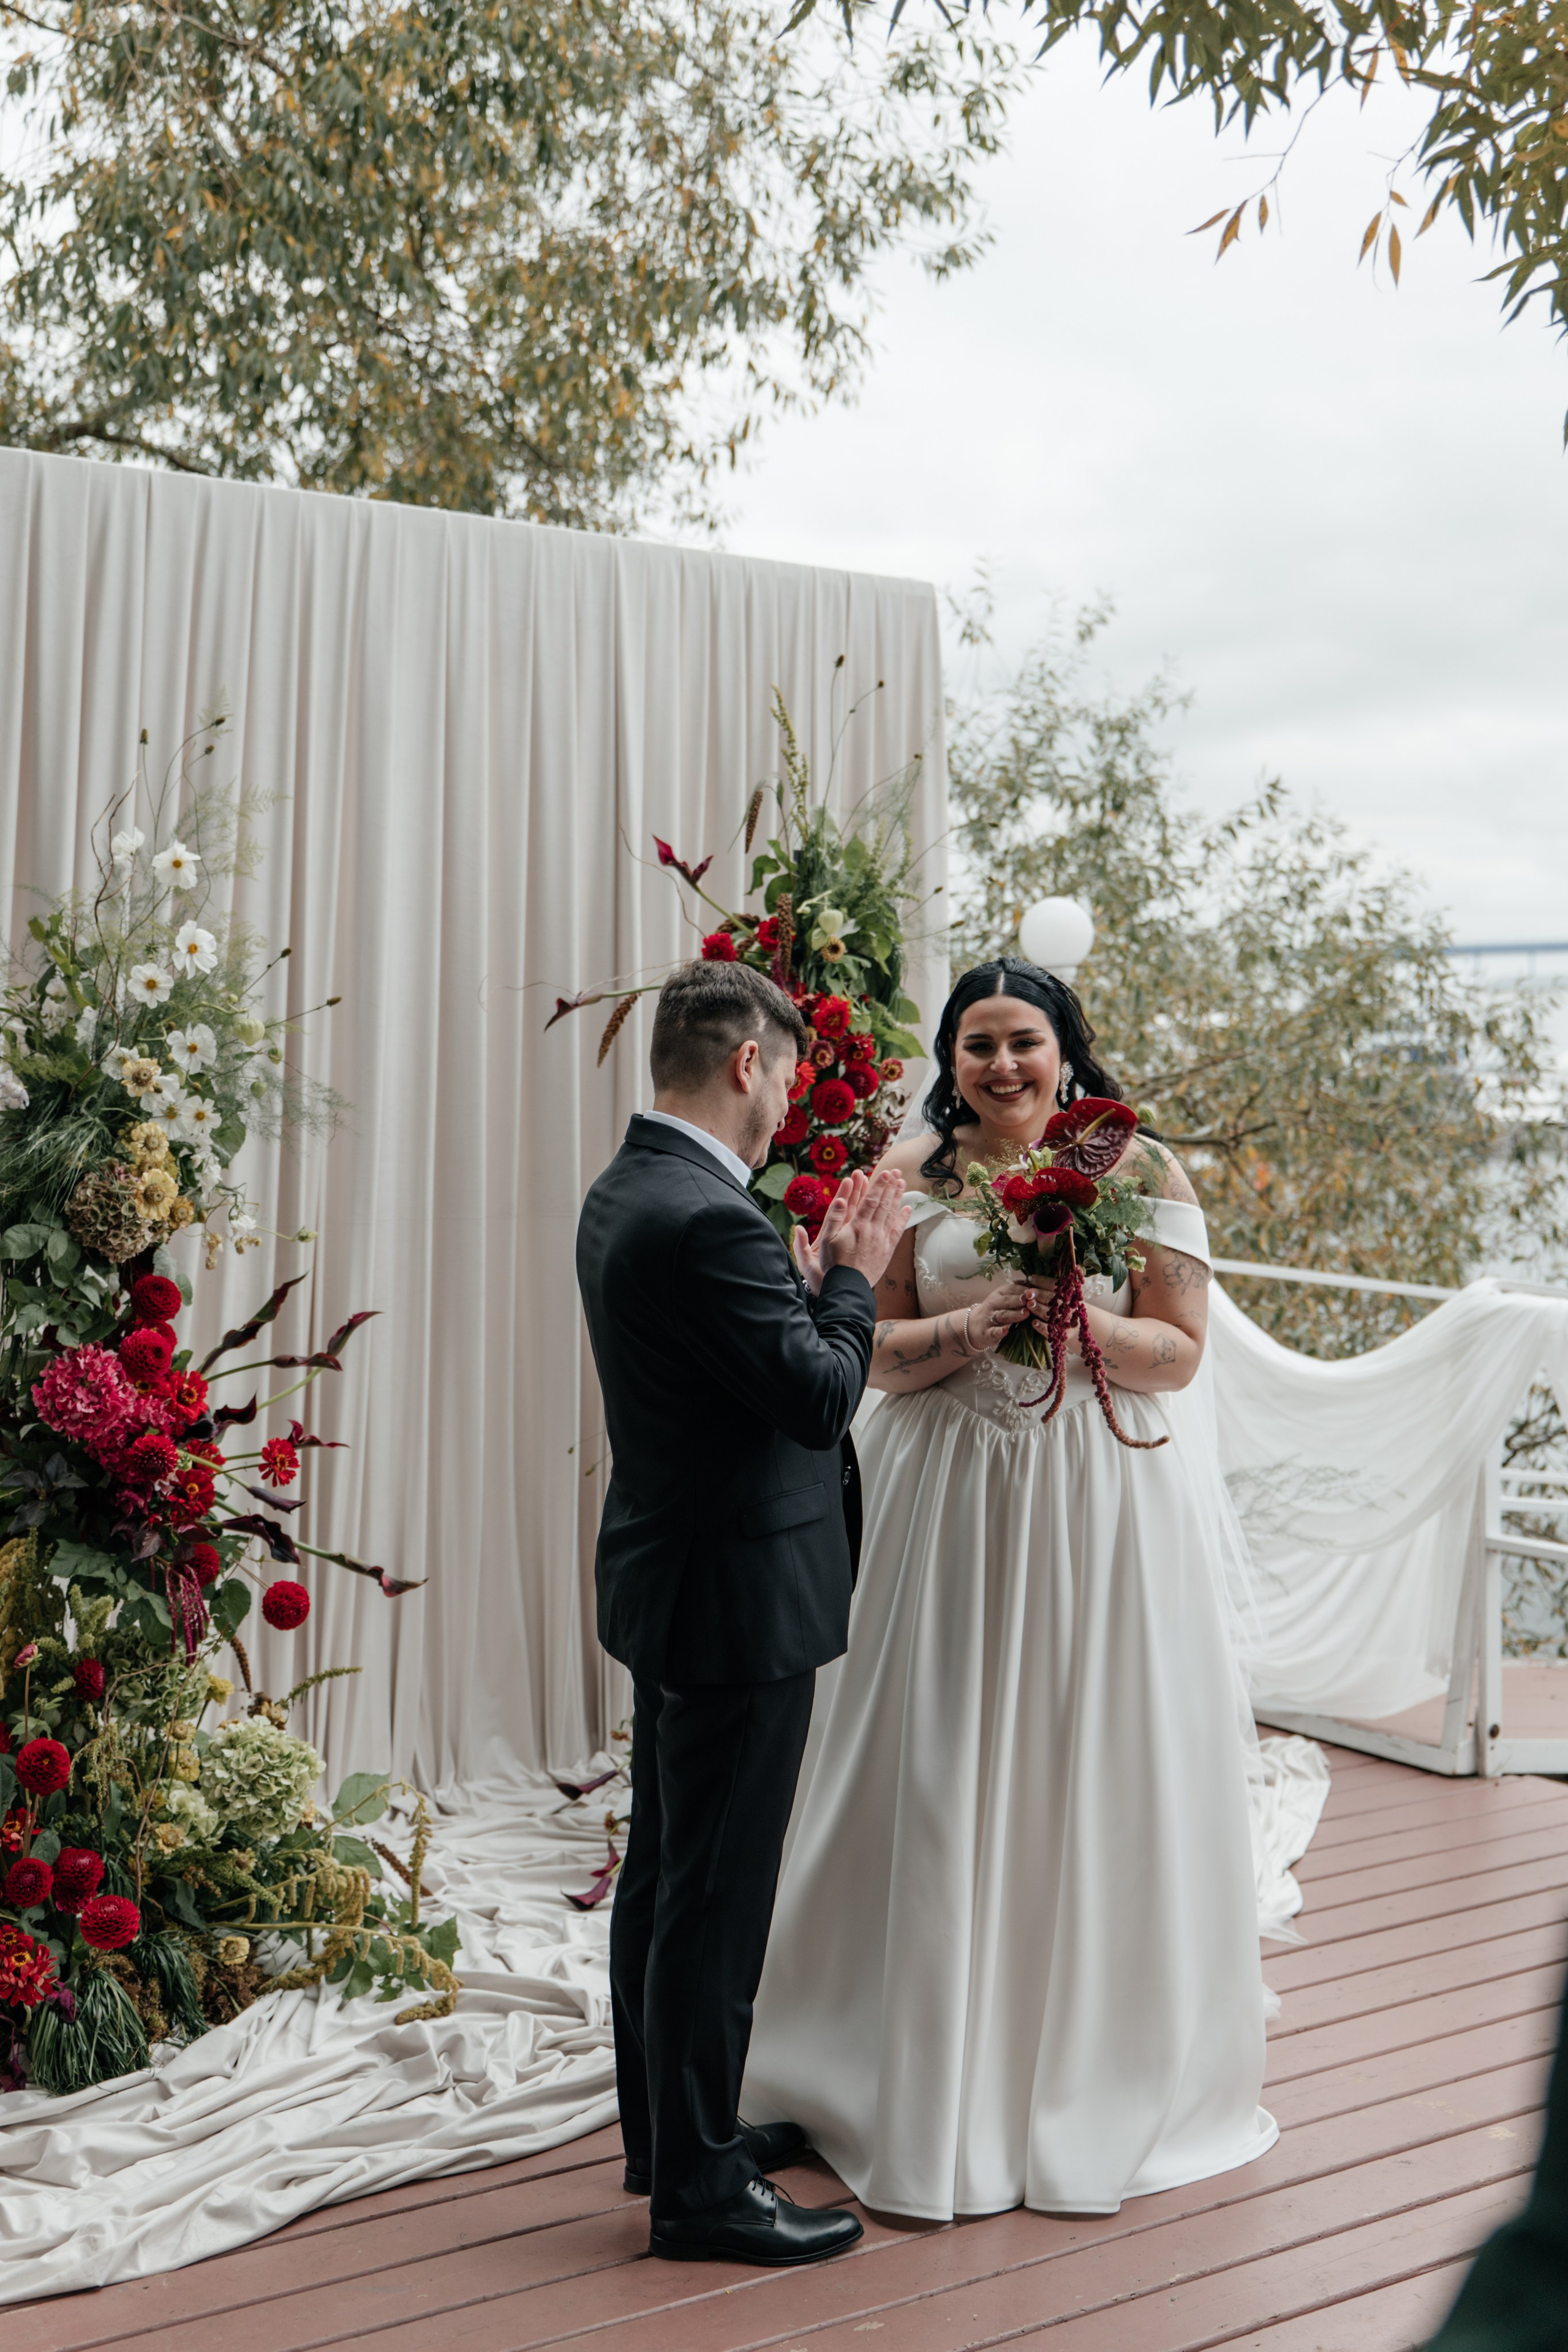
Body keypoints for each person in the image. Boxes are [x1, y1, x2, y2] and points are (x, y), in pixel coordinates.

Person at [743, 955, 1278, 2221]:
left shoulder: (1137, 1173)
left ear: (1064, 1050)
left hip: (1097, 1499)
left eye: (1021, 1041)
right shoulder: (910, 1181)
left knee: (1087, 1756)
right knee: (925, 1757)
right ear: (950, 1058)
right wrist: (971, 1331)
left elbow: (1179, 1353)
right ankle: (895, 2057)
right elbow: (864, 1351)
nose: (999, 1065)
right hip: (947, 1495)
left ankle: (1082, 2058)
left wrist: (1070, 1327)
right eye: (975, 1043)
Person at [575, 958, 909, 2266]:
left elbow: (738, 1372)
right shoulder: (706, 1216)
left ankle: (672, 2133)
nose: (786, 1106)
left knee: (666, 1872)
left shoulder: (629, 1186)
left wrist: (802, 1277)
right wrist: (852, 1274)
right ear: (749, 1066)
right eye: (787, 1079)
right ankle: (701, 2193)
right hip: (733, 1597)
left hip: (678, 1577)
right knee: (711, 1893)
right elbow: (820, 1395)